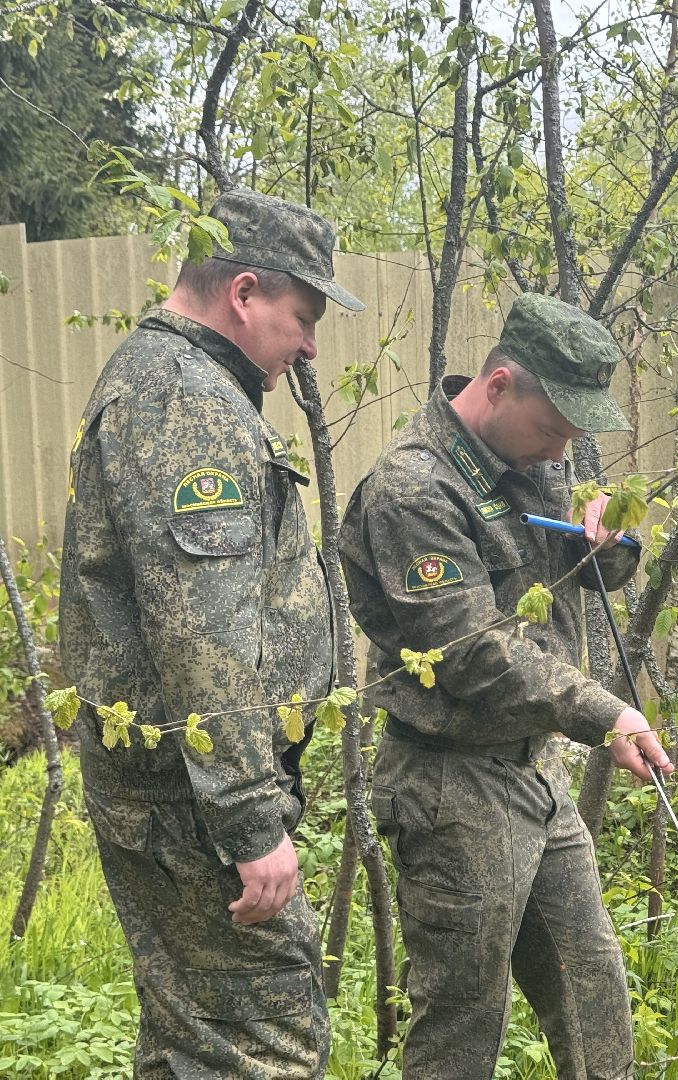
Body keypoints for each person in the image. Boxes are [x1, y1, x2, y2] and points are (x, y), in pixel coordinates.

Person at [59, 187, 364, 1078]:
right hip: (191, 804)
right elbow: (203, 636)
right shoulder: (186, 402)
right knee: (263, 1044)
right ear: (243, 293)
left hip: (176, 791)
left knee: (196, 1042)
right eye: (301, 316)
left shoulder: (167, 382)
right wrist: (247, 820)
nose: (308, 344)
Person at [338, 291, 673, 1079]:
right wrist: (604, 712)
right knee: (460, 1025)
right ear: (498, 385)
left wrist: (613, 544)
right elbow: (471, 651)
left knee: (593, 994)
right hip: (453, 787)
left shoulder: (530, 461)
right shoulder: (414, 490)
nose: (563, 454)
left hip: (536, 776)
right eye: (555, 429)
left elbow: (570, 571)